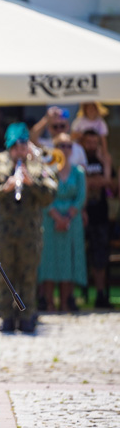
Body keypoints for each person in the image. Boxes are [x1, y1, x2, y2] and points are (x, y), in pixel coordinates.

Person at [0, 123, 57, 333]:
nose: (20, 151)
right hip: (5, 233)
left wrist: (31, 183)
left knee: (28, 275)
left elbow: (50, 195)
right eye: (15, 146)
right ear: (9, 147)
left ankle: (27, 316)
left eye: (23, 145)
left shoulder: (37, 164)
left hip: (30, 234)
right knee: (5, 275)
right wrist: (4, 187)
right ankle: (6, 317)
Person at [38, 133, 87, 312]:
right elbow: (44, 197)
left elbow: (81, 197)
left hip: (71, 221)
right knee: (49, 260)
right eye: (62, 146)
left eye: (69, 146)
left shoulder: (78, 172)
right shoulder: (47, 171)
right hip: (51, 220)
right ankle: (49, 302)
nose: (66, 149)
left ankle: (67, 302)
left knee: (68, 260)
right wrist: (57, 217)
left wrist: (67, 217)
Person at [81, 129, 116, 308]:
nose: (92, 146)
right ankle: (75, 297)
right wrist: (96, 181)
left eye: (95, 142)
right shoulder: (79, 158)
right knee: (80, 257)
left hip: (100, 216)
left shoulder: (104, 160)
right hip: (81, 215)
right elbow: (83, 182)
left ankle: (101, 295)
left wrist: (106, 165)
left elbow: (112, 186)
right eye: (89, 142)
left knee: (100, 257)